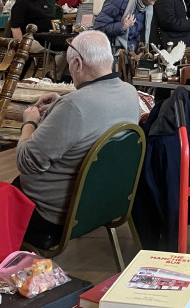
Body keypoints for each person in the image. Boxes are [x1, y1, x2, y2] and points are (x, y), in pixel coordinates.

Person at [14, 30, 141, 240]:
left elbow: (26, 161)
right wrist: (64, 102)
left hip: (54, 214)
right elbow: (96, 105)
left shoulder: (74, 107)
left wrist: (30, 121)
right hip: (104, 203)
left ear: (78, 64)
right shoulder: (129, 92)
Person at [93, 0, 164, 52]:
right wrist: (122, 26)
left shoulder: (148, 6)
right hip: (116, 54)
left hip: (136, 54)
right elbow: (98, 28)